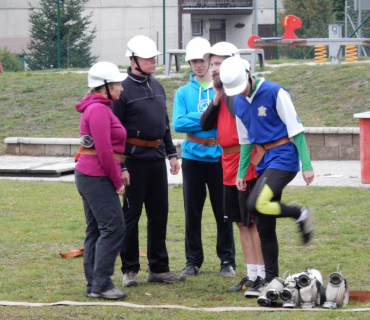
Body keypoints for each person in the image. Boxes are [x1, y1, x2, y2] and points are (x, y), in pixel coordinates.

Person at [219, 56, 315, 294]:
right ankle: (270, 280)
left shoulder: (275, 92)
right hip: (263, 162)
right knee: (264, 225)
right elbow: (245, 142)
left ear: (249, 75)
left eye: (241, 87)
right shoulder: (237, 102)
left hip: (284, 158)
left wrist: (307, 164)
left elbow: (297, 130)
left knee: (255, 203)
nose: (239, 93)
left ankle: (299, 213)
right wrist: (241, 173)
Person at [112, 35, 185, 287]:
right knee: (131, 216)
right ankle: (129, 270)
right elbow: (116, 131)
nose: (153, 61)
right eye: (148, 58)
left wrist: (171, 154)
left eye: (154, 57)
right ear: (133, 61)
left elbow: (164, 124)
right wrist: (120, 165)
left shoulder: (158, 86)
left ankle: (159, 268)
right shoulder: (121, 91)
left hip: (156, 160)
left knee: (159, 214)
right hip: (133, 162)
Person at [200, 42, 265, 292]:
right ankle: (251, 275)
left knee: (253, 222)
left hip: (245, 163)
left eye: (219, 64)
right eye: (213, 64)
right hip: (227, 163)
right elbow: (205, 124)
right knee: (239, 222)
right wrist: (216, 98)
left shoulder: (241, 93)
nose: (214, 69)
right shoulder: (222, 94)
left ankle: (262, 275)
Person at [173, 37, 236, 277]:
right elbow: (178, 123)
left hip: (220, 157)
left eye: (203, 61)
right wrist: (203, 119)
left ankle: (227, 260)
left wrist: (196, 118)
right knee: (192, 211)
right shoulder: (183, 92)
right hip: (193, 158)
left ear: (211, 62)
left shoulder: (224, 89)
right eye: (194, 61)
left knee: (224, 211)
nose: (199, 65)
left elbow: (223, 124)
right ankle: (193, 261)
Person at [74, 61, 127, 300]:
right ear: (104, 86)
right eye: (117, 84)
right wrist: (117, 180)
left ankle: (94, 283)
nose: (121, 88)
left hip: (92, 174)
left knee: (97, 229)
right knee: (114, 227)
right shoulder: (98, 110)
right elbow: (104, 150)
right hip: (96, 176)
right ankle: (101, 283)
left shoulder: (100, 108)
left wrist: (118, 170)